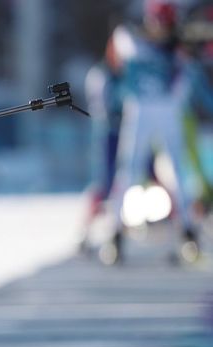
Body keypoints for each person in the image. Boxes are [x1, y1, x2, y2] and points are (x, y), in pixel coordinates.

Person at [103, 0, 213, 264]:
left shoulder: (177, 49)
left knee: (176, 170)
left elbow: (191, 81)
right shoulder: (132, 39)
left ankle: (188, 232)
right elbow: (115, 59)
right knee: (128, 171)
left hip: (166, 109)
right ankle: (115, 234)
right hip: (139, 108)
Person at [79, 33, 124, 253]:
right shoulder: (101, 74)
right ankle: (87, 233)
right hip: (107, 135)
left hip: (127, 135)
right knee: (103, 184)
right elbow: (100, 106)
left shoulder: (127, 74)